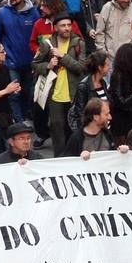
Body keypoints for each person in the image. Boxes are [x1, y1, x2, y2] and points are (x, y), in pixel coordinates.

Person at [33, 13, 87, 158]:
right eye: (63, 25)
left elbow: (81, 67)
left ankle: (74, 160)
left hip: (73, 94)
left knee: (74, 130)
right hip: (54, 95)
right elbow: (35, 64)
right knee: (57, 131)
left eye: (69, 25)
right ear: (55, 27)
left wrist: (63, 57)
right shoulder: (47, 44)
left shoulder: (78, 43)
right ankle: (59, 161)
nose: (67, 28)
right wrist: (48, 65)